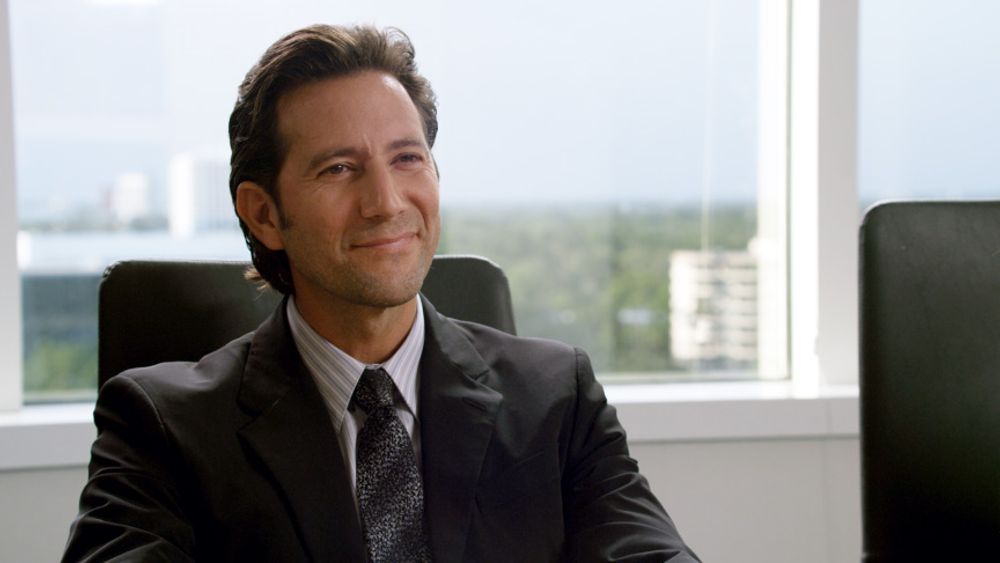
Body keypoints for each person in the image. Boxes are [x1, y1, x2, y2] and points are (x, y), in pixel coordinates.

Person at [62, 24, 699, 562]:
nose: (386, 203)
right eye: (339, 168)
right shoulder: (161, 428)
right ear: (264, 215)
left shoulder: (558, 398)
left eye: (406, 159)